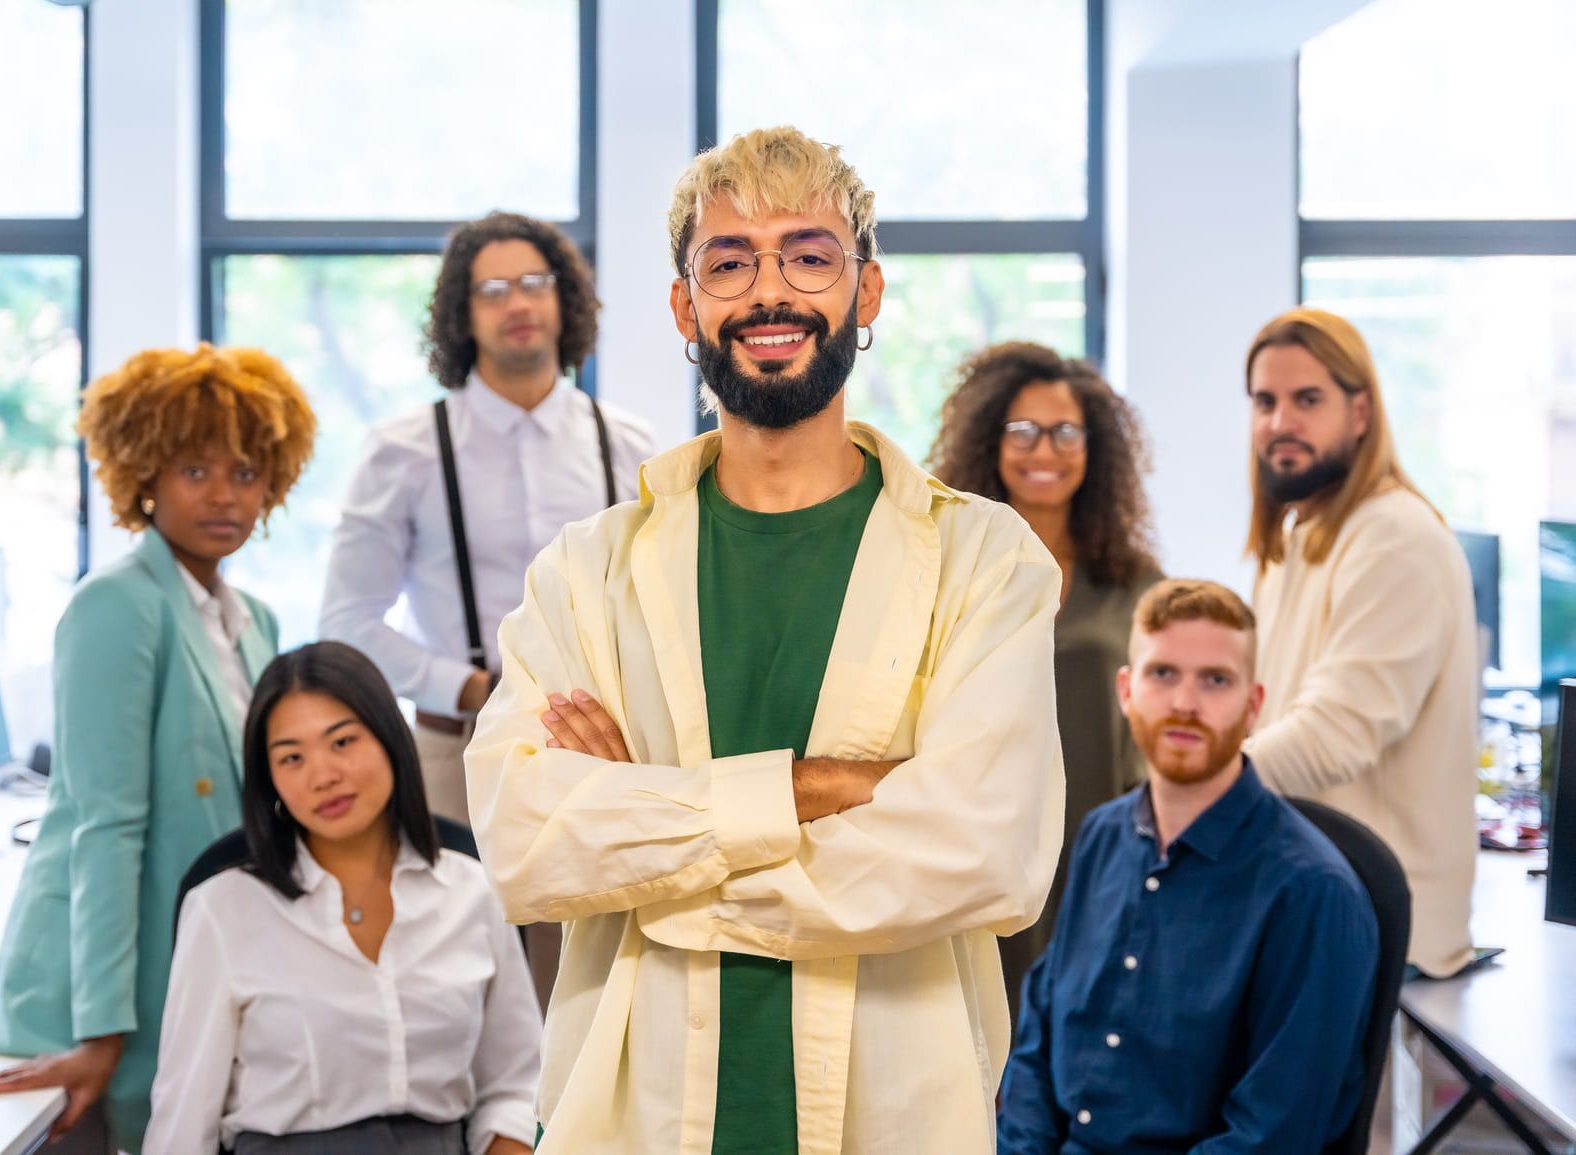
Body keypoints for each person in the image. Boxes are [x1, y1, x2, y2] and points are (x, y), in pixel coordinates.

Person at [464, 125, 1065, 1153]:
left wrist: (645, 851)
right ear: (684, 306)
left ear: (866, 293)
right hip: (631, 1118)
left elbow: (985, 852)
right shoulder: (585, 571)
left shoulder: (984, 561)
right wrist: (819, 788)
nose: (770, 292)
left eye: (810, 256)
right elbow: (527, 846)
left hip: (893, 1114)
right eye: (730, 262)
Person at [0, 345, 317, 1153]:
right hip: (95, 995)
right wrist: (101, 1028)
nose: (224, 494)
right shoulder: (116, 606)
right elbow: (105, 825)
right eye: (195, 470)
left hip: (188, 957)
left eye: (246, 472)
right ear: (144, 475)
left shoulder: (252, 618)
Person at [997, 579, 1379, 1153]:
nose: (1184, 703)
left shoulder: (1312, 893)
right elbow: (1038, 1041)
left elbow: (1275, 1135)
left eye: (1215, 680)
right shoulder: (1102, 835)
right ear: (1126, 691)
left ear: (1253, 706)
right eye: (1163, 673)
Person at [319, 211, 655, 831]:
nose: (518, 303)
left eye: (535, 283)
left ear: (564, 298)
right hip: (455, 753)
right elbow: (346, 622)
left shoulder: (629, 445)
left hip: (607, 751)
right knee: (458, 899)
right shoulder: (406, 451)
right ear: (462, 313)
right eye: (493, 290)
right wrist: (469, 687)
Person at [146, 642, 541, 1155]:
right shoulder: (223, 908)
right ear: (270, 778)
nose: (323, 776)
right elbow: (182, 1125)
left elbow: (516, 1085)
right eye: (292, 757)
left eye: (343, 742)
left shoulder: (472, 889)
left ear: (389, 737)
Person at [1242, 306, 1476, 978]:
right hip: (1314, 904)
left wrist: (1192, 795)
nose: (1280, 422)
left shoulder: (1394, 537)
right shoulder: (1296, 535)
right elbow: (1267, 711)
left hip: (1377, 931)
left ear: (1361, 412)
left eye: (1307, 399)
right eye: (1265, 401)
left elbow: (1334, 735)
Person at [931, 341, 1161, 1013]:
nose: (1045, 451)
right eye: (1023, 430)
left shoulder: (1134, 584)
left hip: (1100, 853)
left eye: (1066, 433)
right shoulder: (949, 571)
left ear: (1095, 449)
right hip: (978, 844)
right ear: (989, 441)